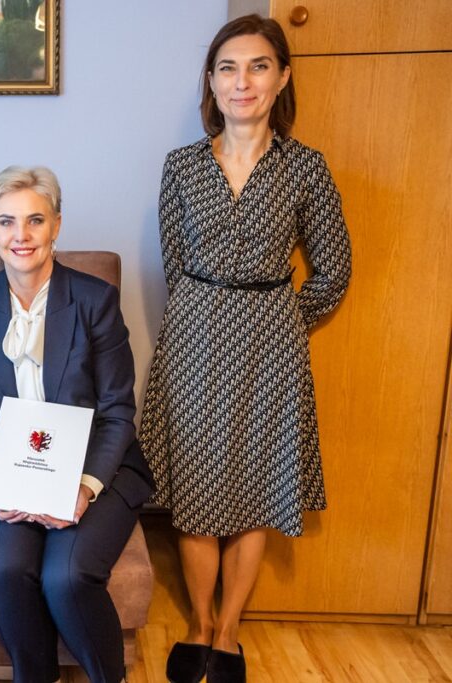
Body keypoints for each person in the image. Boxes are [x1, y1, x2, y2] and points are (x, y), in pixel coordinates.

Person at [140, 14, 352, 683]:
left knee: (257, 491)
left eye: (259, 66)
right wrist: (208, 315)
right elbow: (176, 267)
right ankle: (198, 625)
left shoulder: (306, 169)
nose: (243, 81)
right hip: (196, 339)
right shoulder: (181, 167)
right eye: (229, 67)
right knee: (197, 490)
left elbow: (335, 268)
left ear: (282, 76)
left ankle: (228, 634)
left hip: (271, 346)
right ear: (211, 80)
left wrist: (287, 317)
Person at [0, 166, 154, 683]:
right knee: (4, 569)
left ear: (57, 227)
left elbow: (116, 411)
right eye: (7, 222)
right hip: (15, 468)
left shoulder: (93, 300)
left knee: (65, 578)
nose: (21, 235)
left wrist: (83, 489)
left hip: (94, 467)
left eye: (35, 220)